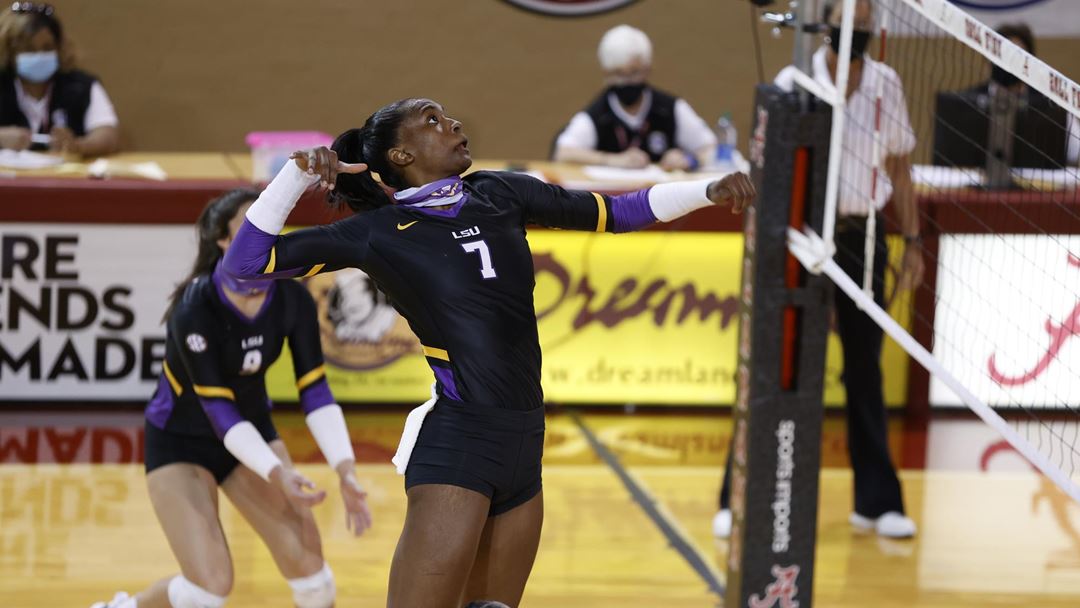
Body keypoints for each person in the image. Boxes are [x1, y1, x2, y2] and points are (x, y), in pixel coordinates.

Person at [221, 97, 755, 607]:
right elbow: (243, 264)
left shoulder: (500, 192)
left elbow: (616, 212)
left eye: (447, 115)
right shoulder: (377, 233)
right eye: (432, 120)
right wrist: (294, 177)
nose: (453, 124)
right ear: (401, 155)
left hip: (525, 440)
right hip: (460, 443)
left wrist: (706, 190)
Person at [90, 189, 372, 608]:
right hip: (182, 443)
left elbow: (314, 388)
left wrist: (345, 469)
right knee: (207, 591)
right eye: (251, 220)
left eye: (270, 217)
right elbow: (219, 410)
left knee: (315, 580)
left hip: (252, 431)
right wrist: (277, 473)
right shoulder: (195, 307)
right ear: (223, 240)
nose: (266, 225)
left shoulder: (291, 297)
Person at [715, 0, 922, 540]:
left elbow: (900, 167)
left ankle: (877, 504)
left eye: (867, 21)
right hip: (801, 239)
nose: (859, 29)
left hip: (862, 237)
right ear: (825, 24)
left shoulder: (886, 84)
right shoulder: (795, 83)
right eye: (849, 19)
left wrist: (914, 241)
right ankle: (736, 497)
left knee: (865, 371)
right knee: (772, 366)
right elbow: (769, 172)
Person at [552, 24, 717, 171]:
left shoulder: (669, 108)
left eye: (634, 73)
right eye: (618, 74)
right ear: (606, 74)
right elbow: (562, 153)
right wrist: (611, 160)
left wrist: (689, 159)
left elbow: (713, 148)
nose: (626, 81)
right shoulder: (599, 113)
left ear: (647, 69)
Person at [0, 2, 119, 155]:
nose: (39, 56)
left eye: (47, 48)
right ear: (10, 52)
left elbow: (108, 135)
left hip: (66, 169)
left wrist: (77, 146)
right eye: (29, 49)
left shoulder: (81, 86)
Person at [963, 22, 1079, 166]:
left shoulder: (1053, 106)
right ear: (990, 58)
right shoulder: (965, 103)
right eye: (1004, 55)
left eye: (1017, 56)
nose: (1009, 64)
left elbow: (1075, 153)